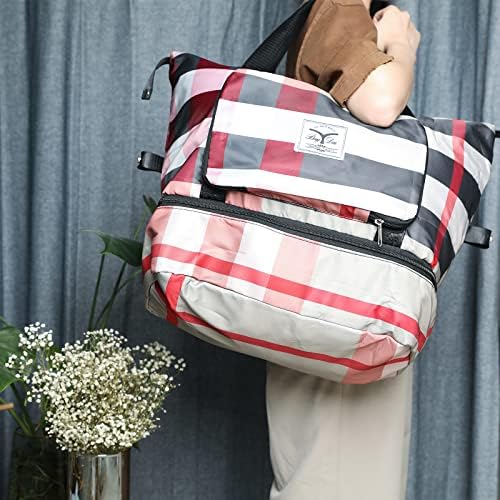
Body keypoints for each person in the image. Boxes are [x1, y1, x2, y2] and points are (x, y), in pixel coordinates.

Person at [266, 1, 421, 499]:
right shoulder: (342, 8)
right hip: (341, 289)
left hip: (322, 281)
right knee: (337, 475)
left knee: (327, 469)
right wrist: (401, 45)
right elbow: (381, 103)